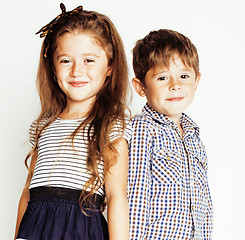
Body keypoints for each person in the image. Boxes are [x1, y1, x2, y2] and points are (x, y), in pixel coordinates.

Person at [15, 3, 130, 240]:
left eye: (89, 60)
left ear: (109, 66)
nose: (77, 71)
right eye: (66, 60)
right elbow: (28, 192)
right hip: (35, 228)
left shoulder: (111, 125)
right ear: (53, 68)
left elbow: (117, 195)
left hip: (81, 230)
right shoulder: (43, 126)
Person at [127, 29, 213, 239]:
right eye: (163, 77)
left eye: (184, 76)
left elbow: (205, 203)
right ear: (141, 87)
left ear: (196, 81)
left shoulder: (194, 136)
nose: (175, 86)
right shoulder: (142, 129)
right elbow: (135, 197)